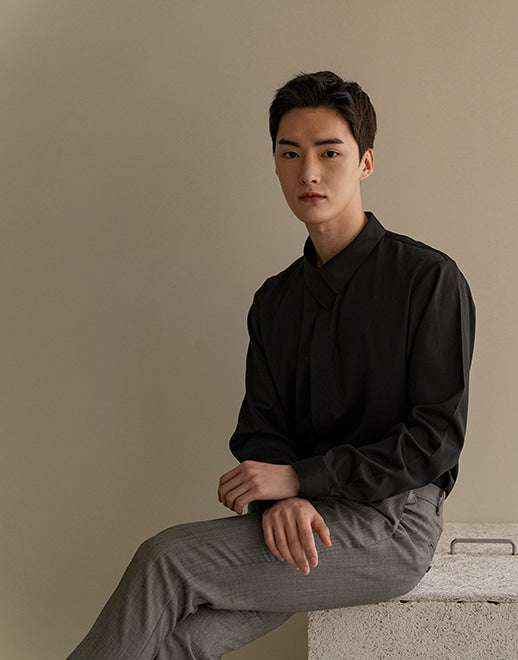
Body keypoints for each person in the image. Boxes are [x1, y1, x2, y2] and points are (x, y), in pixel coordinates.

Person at [67, 71, 475, 659]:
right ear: (276, 165)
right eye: (290, 153)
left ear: (364, 162)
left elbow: (435, 439)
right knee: (182, 644)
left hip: (393, 524)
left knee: (167, 560)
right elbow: (262, 428)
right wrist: (283, 498)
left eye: (329, 152)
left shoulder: (427, 280)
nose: (308, 172)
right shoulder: (275, 300)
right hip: (305, 519)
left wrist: (300, 480)